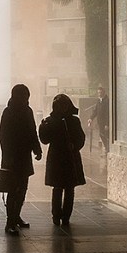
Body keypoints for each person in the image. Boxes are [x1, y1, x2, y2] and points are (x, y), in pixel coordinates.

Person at [0, 84, 42, 235]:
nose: (25, 98)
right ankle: (10, 222)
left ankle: (16, 216)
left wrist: (37, 148)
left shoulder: (28, 111)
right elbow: (3, 136)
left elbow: (32, 131)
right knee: (12, 190)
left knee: (22, 189)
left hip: (24, 157)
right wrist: (8, 156)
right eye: (23, 95)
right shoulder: (8, 112)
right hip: (12, 158)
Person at [38, 93, 86, 227]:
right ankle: (56, 215)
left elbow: (81, 138)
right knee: (58, 188)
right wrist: (43, 128)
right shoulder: (50, 121)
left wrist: (75, 146)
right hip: (58, 158)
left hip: (69, 158)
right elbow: (45, 140)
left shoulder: (74, 121)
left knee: (69, 189)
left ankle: (66, 216)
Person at [88, 86, 110, 153]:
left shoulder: (107, 101)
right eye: (98, 93)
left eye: (100, 92)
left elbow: (107, 113)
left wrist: (107, 124)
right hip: (100, 121)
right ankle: (107, 147)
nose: (99, 94)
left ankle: (107, 148)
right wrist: (91, 118)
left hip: (105, 122)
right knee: (101, 134)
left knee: (106, 135)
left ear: (103, 92)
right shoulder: (99, 100)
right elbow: (96, 111)